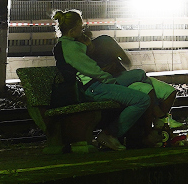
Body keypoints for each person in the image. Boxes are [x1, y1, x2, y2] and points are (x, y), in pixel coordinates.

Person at [51, 9, 159, 151]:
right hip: (92, 88)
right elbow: (92, 70)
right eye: (80, 27)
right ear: (72, 30)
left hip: (97, 83)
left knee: (139, 74)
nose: (83, 29)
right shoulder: (70, 47)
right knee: (142, 100)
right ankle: (110, 134)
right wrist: (112, 82)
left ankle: (155, 116)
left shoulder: (72, 43)